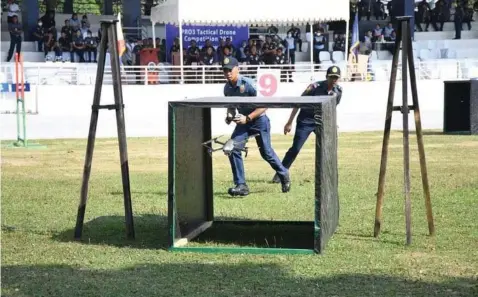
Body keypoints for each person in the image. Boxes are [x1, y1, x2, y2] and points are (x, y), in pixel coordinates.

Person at [222, 56, 291, 196]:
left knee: (266, 153)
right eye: (225, 70)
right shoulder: (227, 88)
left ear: (238, 69)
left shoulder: (249, 84)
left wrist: (248, 118)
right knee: (232, 148)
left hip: (259, 121)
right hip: (243, 122)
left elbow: (265, 104)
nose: (228, 73)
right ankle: (241, 185)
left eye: (230, 70)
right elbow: (231, 107)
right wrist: (229, 115)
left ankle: (283, 173)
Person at [272, 65, 343, 183]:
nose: (334, 80)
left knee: (328, 147)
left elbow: (332, 109)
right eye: (332, 77)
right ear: (326, 77)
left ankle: (328, 174)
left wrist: (333, 124)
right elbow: (298, 102)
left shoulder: (338, 91)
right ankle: (281, 173)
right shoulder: (315, 87)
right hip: (306, 120)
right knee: (295, 148)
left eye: (336, 77)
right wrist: (289, 122)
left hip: (322, 121)